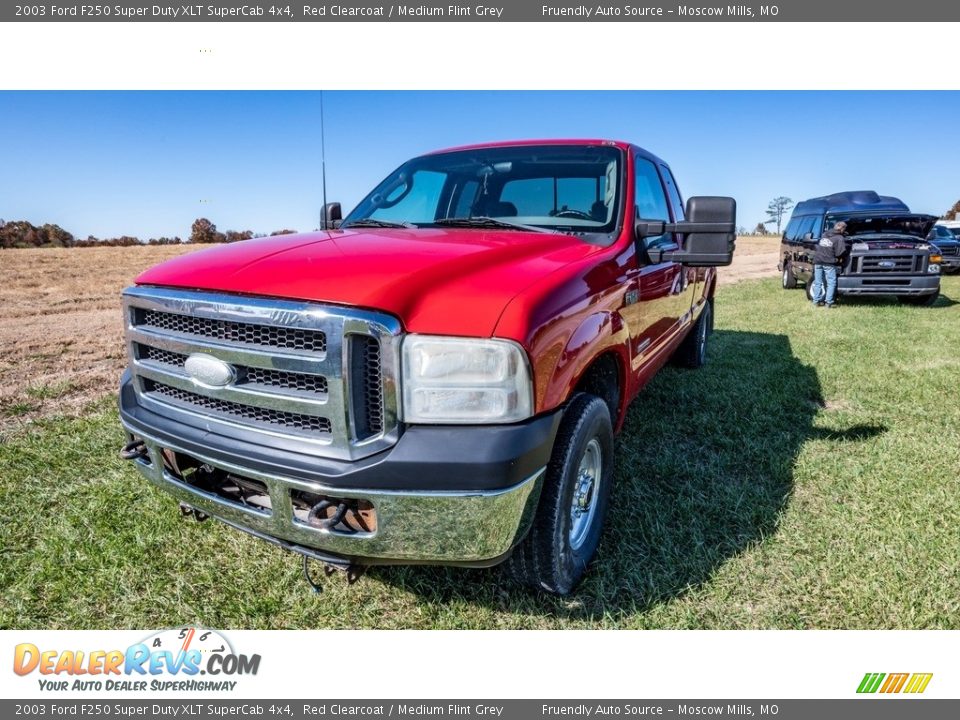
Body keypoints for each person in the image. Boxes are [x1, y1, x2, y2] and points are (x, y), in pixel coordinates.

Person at [811, 220, 847, 308]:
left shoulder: (825, 234)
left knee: (818, 282)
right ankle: (829, 302)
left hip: (818, 261)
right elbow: (840, 253)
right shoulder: (839, 238)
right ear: (842, 229)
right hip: (828, 262)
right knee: (831, 282)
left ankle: (816, 301)